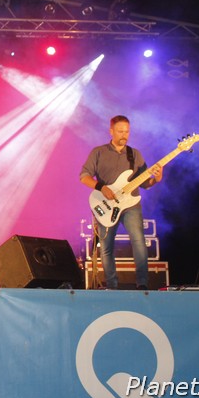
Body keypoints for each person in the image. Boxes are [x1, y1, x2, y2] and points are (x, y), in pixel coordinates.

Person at [79, 115, 162, 290]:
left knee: (139, 241)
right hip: (106, 204)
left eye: (127, 131)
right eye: (120, 131)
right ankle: (112, 286)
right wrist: (101, 187)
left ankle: (142, 284)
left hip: (131, 205)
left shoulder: (135, 154)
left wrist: (156, 179)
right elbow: (84, 176)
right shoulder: (98, 152)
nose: (124, 135)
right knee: (106, 246)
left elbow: (145, 183)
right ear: (111, 131)